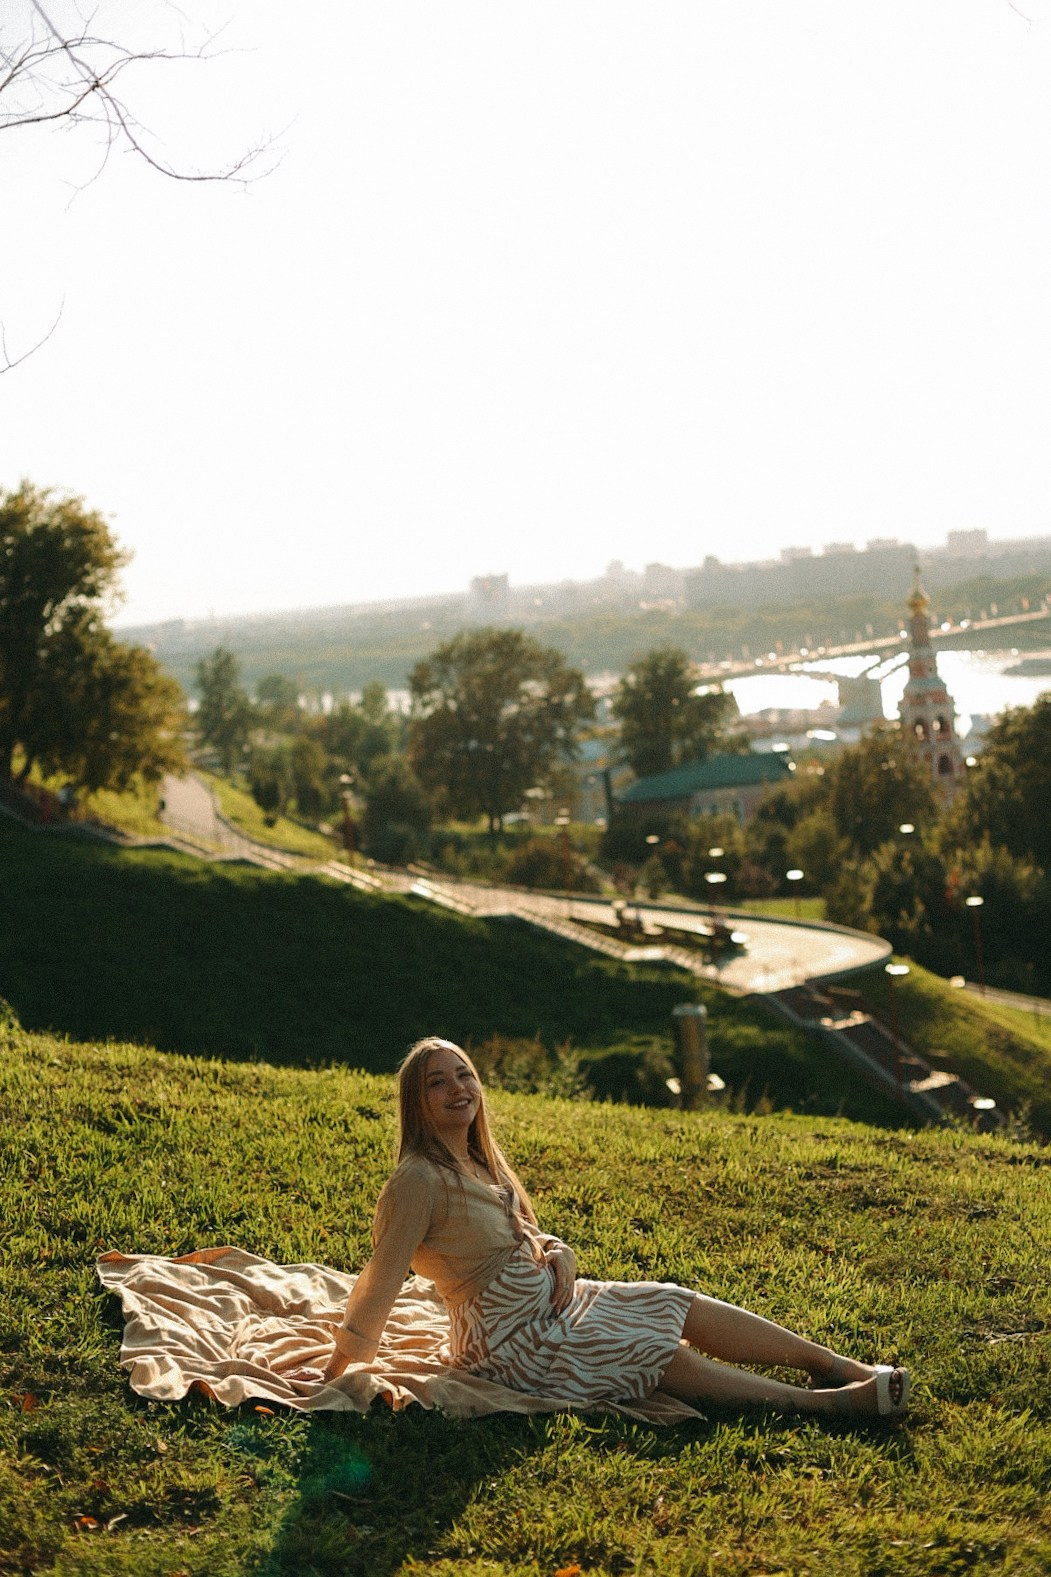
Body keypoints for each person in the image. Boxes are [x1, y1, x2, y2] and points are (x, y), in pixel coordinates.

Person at [323, 1037, 910, 1420]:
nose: (459, 1090)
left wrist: (562, 1254)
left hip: (556, 1304)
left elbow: (526, 1232)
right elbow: (383, 1276)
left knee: (676, 1302)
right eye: (438, 1083)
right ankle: (823, 1405)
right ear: (416, 1103)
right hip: (508, 1343)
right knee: (648, 1351)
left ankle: (832, 1364)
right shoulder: (418, 1180)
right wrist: (337, 1368)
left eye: (465, 1074)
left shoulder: (480, 1158)